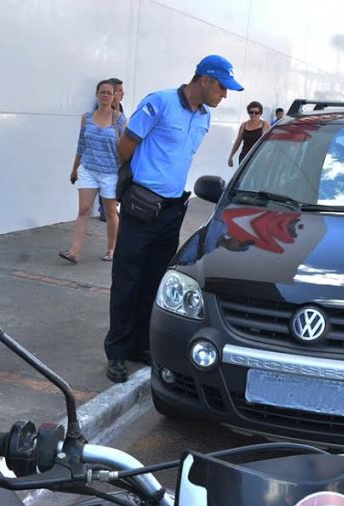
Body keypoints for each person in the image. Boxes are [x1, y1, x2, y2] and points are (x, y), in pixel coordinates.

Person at [103, 55, 243, 383]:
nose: (224, 95)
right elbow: (125, 146)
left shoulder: (204, 118)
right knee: (127, 281)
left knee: (154, 281)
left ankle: (140, 345)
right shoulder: (160, 103)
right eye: (222, 87)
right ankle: (117, 353)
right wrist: (136, 182)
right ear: (205, 80)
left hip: (172, 210)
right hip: (141, 207)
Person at [60, 80, 126, 263]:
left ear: (114, 97)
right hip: (88, 169)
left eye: (109, 93)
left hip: (110, 173)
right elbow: (81, 145)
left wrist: (125, 171)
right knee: (83, 209)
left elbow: (126, 147)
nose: (105, 95)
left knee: (111, 211)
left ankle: (112, 249)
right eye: (102, 92)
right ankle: (74, 250)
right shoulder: (86, 117)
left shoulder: (119, 119)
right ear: (97, 95)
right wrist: (74, 169)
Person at [98, 78, 126, 222]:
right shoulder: (102, 108)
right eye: (120, 91)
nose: (123, 93)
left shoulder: (119, 107)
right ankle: (105, 211)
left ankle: (111, 209)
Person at [228, 101, 269, 167]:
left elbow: (270, 141)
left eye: (256, 113)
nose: (253, 115)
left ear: (260, 114)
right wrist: (231, 156)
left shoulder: (265, 125)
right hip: (244, 157)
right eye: (251, 112)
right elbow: (238, 141)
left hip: (258, 158)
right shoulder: (244, 125)